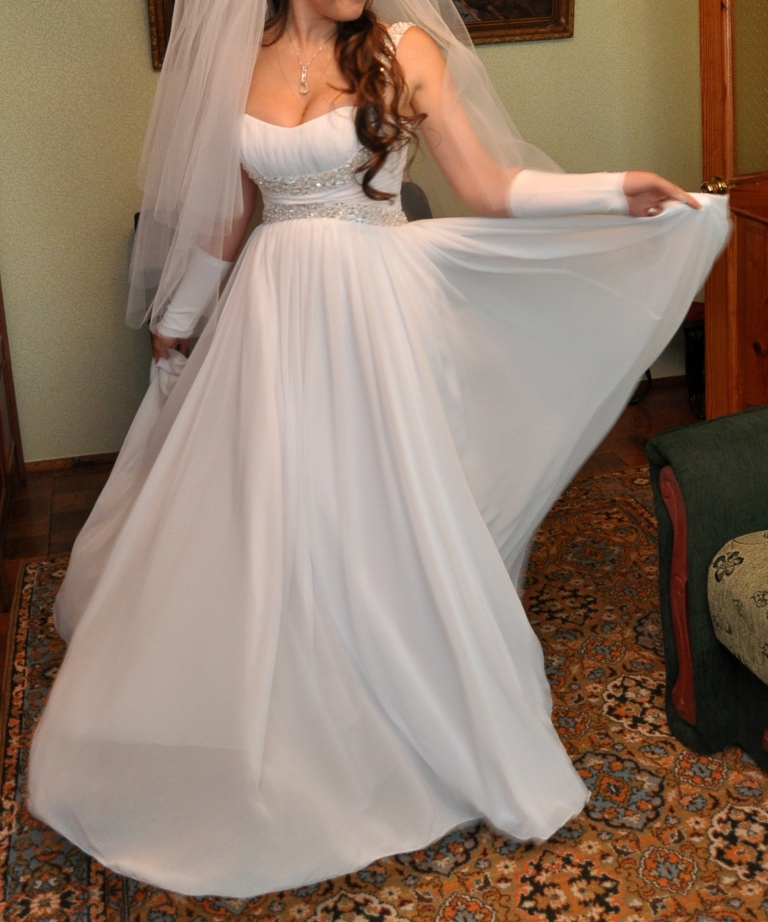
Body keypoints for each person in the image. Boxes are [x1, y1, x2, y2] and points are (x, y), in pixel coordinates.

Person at [28, 0, 728, 899]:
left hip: (376, 318)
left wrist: (614, 189)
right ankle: (280, 712)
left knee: (383, 518)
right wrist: (181, 319)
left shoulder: (405, 51)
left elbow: (488, 187)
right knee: (271, 518)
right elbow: (228, 217)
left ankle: (405, 709)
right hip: (270, 323)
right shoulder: (238, 59)